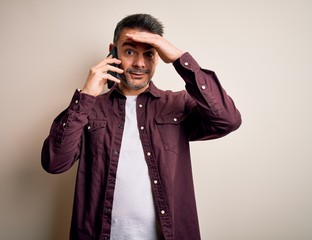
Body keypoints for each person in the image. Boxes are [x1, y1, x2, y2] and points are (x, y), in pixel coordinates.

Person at [41, 13, 241, 240]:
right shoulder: (90, 108)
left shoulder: (178, 104)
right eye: (129, 51)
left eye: (149, 53)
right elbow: (55, 162)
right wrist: (86, 96)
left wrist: (178, 58)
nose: (139, 63)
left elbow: (228, 120)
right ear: (112, 51)